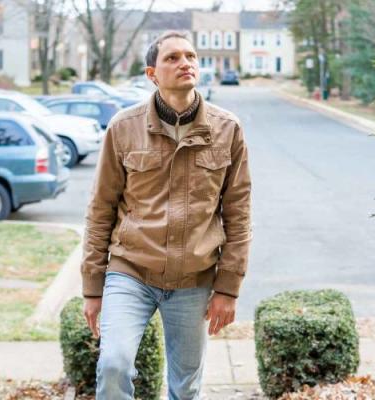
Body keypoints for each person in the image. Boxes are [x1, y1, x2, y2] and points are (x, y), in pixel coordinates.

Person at [80, 31, 252, 399]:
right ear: (152, 74)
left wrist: (228, 287)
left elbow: (238, 213)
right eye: (172, 58)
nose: (185, 63)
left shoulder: (227, 129)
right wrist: (93, 288)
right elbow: (100, 210)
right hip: (131, 271)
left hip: (194, 277)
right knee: (113, 364)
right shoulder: (123, 128)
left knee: (186, 386)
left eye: (190, 56)